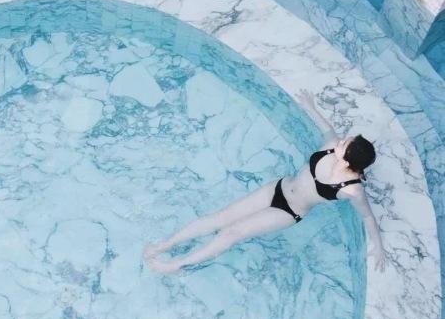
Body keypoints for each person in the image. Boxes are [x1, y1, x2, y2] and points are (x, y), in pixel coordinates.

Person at [144, 90, 386, 274]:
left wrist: (378, 246)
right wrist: (310, 106)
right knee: (218, 218)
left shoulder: (351, 190)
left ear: (348, 162)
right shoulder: (332, 146)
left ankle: (176, 265)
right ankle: (164, 245)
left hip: (289, 211)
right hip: (277, 188)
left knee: (231, 233)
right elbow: (327, 129)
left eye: (346, 143)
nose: (342, 141)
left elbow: (367, 217)